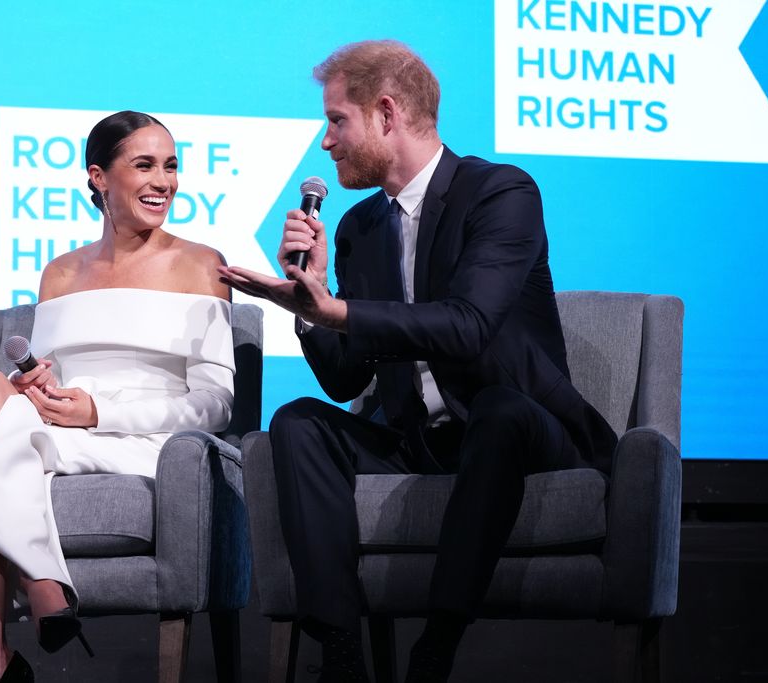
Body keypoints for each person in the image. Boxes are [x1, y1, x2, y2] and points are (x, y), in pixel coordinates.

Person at [218, 41, 617, 682]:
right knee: (298, 422)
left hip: (522, 430)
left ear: (385, 112)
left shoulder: (501, 193)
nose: (326, 142)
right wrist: (306, 302)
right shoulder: (358, 228)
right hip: (418, 436)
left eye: (337, 120)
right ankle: (341, 651)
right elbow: (349, 376)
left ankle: (436, 646)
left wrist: (338, 311)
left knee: (499, 410)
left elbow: (469, 326)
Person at [0, 111, 235, 683]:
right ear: (98, 177)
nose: (164, 182)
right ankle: (12, 621)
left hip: (151, 439)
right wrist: (37, 392)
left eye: (171, 166)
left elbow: (216, 404)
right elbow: (49, 377)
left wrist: (100, 411)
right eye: (144, 165)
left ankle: (8, 626)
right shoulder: (60, 273)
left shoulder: (202, 265)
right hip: (60, 433)